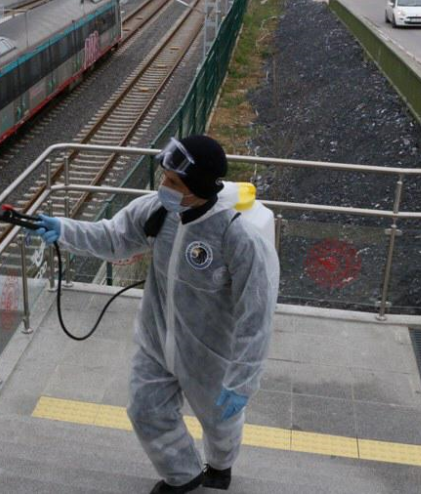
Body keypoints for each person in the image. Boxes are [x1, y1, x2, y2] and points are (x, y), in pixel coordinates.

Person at [35, 135, 280, 493]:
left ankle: (220, 464)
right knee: (145, 410)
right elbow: (114, 237)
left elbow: (256, 315)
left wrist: (243, 378)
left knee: (219, 421)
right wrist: (64, 230)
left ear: (197, 187)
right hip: (156, 338)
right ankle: (183, 475)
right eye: (164, 177)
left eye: (173, 182)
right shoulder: (158, 211)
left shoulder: (237, 235)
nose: (162, 186)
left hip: (210, 353)